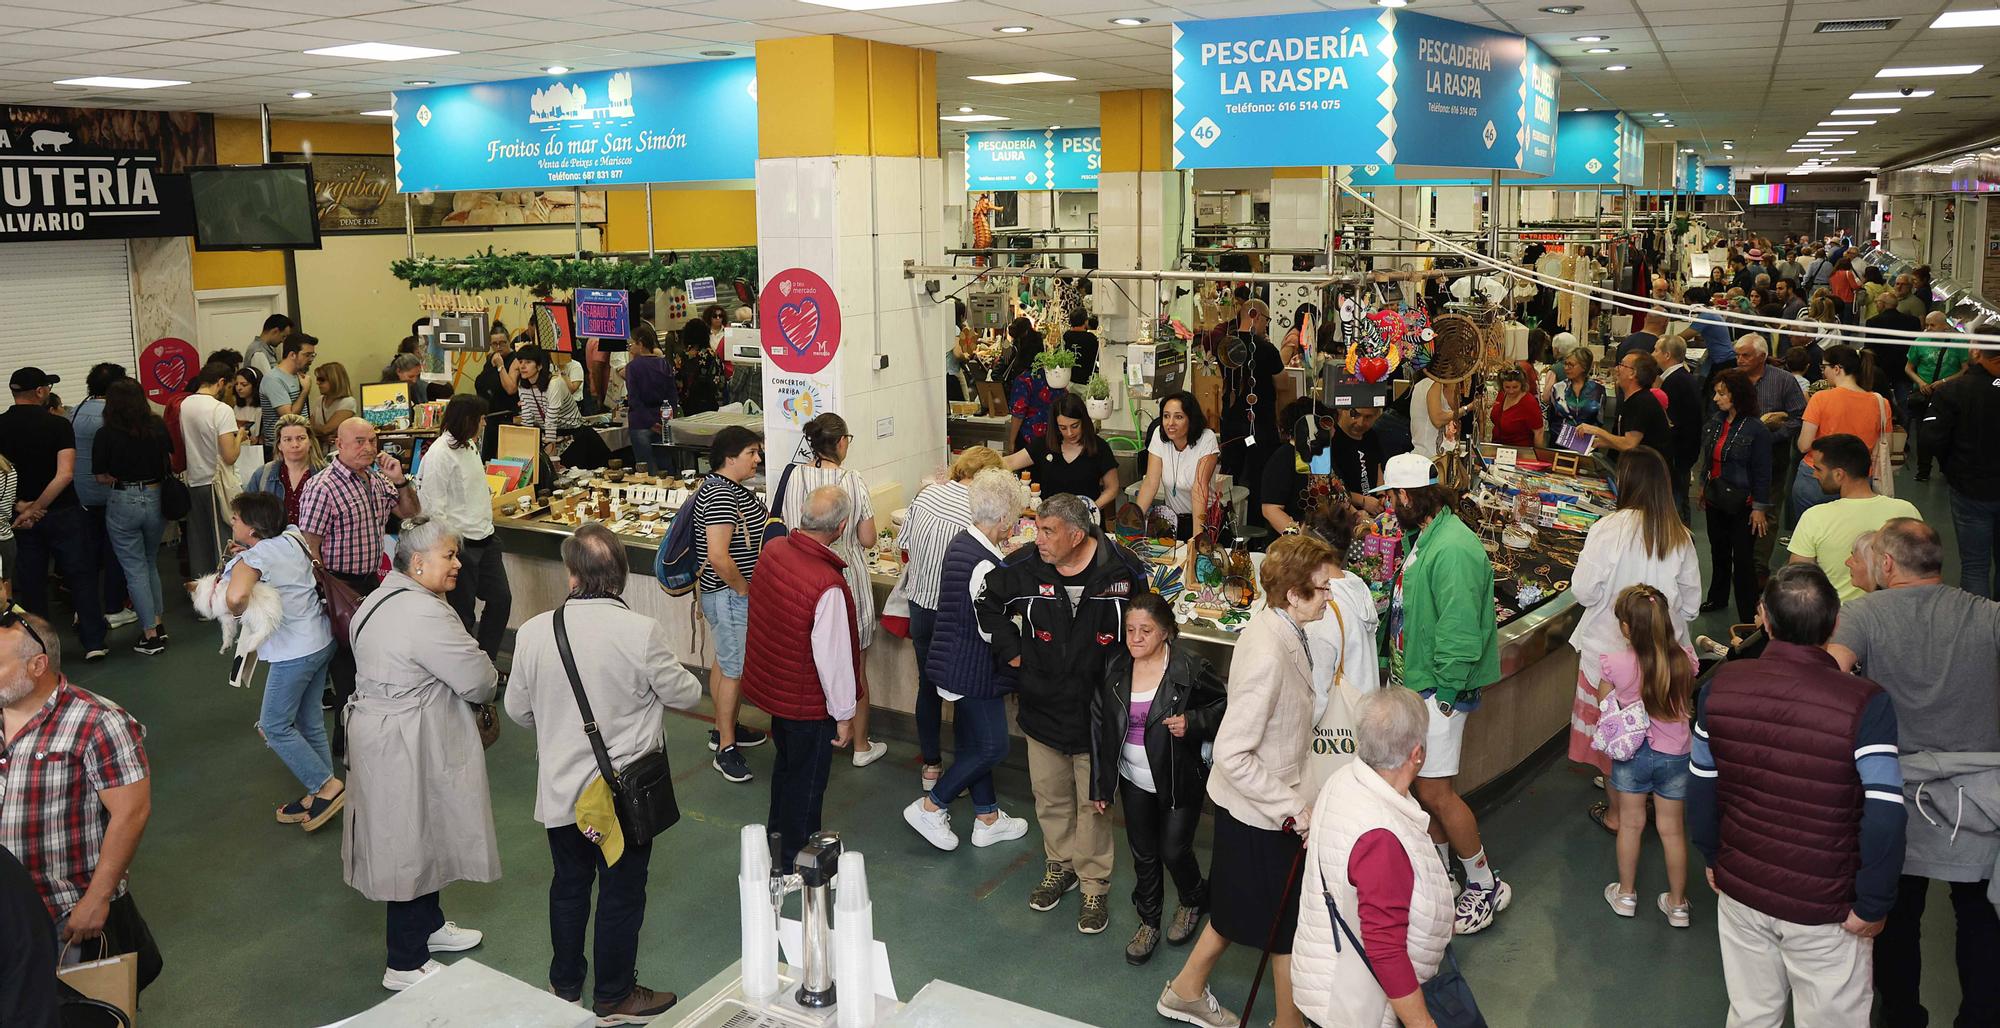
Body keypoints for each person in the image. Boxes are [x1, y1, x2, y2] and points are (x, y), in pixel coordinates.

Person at [1688, 564, 1905, 1028]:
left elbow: (1702, 786)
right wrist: (1873, 901)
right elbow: (1886, 814)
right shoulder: (1866, 704)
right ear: (1834, 622)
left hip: (1742, 887)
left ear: (1764, 618)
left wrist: (1713, 857)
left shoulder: (1719, 689)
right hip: (1825, 908)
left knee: (1751, 1012)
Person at [505, 522, 701, 1023]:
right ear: (620, 575)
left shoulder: (533, 631)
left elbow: (518, 712)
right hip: (623, 798)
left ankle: (564, 986)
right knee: (621, 891)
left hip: (563, 794)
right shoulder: (640, 633)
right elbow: (687, 695)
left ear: (572, 575)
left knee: (568, 887)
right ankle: (614, 995)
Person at [1158, 534, 1342, 1028]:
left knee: (1234, 908)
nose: (1330, 596)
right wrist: (1293, 808)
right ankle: (1289, 1023)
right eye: (1322, 588)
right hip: (1262, 813)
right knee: (1283, 927)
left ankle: (1185, 991)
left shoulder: (1281, 629)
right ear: (1293, 595)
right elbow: (1232, 752)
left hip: (1255, 810)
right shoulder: (1268, 651)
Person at [1823, 518, 2000, 1026]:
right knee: (1981, 923)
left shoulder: (1862, 616)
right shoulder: (1986, 615)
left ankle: (1903, 1017)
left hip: (1895, 798)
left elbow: (1828, 683)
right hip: (1982, 804)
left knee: (1896, 923)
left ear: (1885, 563)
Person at [977, 492, 1146, 934]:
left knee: (1095, 803)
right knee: (1050, 797)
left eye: (1048, 531)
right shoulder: (1023, 566)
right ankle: (1061, 865)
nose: (1039, 539)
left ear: (1077, 534)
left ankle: (1094, 885)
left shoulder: (1122, 570)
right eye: (1036, 528)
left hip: (1098, 716)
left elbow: (1149, 622)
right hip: (1042, 709)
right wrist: (1013, 653)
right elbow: (985, 603)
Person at [342, 515, 498, 992]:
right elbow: (480, 679)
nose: (458, 563)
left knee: (420, 830)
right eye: (449, 556)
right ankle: (404, 962)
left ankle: (428, 928)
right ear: (417, 563)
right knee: (407, 844)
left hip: (384, 733)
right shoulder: (425, 613)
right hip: (405, 741)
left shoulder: (379, 597)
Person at [1372, 452, 1507, 934]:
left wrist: (1445, 693)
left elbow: (1460, 629)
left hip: (1437, 690)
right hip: (1418, 685)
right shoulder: (1425, 536)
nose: (1387, 506)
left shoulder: (1453, 548)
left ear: (1407, 495)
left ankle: (1483, 883)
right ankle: (1442, 878)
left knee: (1435, 791)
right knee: (1420, 792)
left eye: (1390, 496)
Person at [1291, 687, 1456, 1028]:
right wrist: (1422, 1023)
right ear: (1417, 754)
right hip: (1357, 1008)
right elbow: (1385, 949)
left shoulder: (1341, 781)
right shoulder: (1381, 838)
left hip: (1324, 981)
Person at [0, 610, 151, 948]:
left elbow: (132, 813)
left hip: (61, 913)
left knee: (73, 1000)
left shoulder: (99, 722)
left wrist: (97, 898)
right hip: (7, 916)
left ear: (37, 666)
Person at [1567, 447, 1699, 834]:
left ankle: (1618, 815)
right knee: (1661, 737)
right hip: (1664, 663)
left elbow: (1584, 591)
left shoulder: (1608, 529)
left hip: (1608, 659)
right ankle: (1655, 803)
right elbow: (1690, 605)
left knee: (1613, 738)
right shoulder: (1681, 536)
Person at [1091, 592, 1227, 966]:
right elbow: (1100, 724)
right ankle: (1148, 921)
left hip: (1177, 779)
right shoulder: (1116, 665)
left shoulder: (1190, 668)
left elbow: (1222, 706)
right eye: (1130, 630)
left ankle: (1192, 898)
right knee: (1144, 854)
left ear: (1165, 632)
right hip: (1133, 779)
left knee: (1173, 850)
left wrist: (1193, 723)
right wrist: (1102, 783)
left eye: (1145, 631)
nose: (1135, 638)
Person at [903, 468, 1033, 850]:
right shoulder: (985, 563)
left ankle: (987, 816)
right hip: (973, 666)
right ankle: (932, 805)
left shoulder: (964, 543)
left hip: (954, 657)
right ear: (1007, 518)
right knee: (994, 746)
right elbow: (988, 627)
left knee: (975, 741)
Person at [738, 485, 864, 865]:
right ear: (841, 527)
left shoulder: (774, 551)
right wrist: (845, 715)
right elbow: (834, 659)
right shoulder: (827, 584)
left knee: (785, 771)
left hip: (777, 690)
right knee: (808, 786)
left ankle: (775, 844)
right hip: (807, 703)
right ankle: (796, 861)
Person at [298, 418, 422, 745]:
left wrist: (400, 480)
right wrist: (324, 591)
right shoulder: (323, 486)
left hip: (371, 583)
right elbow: (309, 543)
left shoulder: (378, 480)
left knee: (372, 659)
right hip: (339, 584)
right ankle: (346, 738)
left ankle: (368, 730)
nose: (367, 448)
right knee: (346, 665)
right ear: (339, 444)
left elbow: (409, 512)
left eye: (372, 441)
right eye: (359, 441)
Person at [224, 491, 342, 829]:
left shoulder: (254, 558)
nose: (232, 522)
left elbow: (236, 596)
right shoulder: (292, 536)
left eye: (236, 518)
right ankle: (320, 790)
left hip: (294, 652)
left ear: (252, 528)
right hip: (321, 640)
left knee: (273, 726)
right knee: (309, 721)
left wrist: (237, 613)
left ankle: (325, 786)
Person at [775, 414, 887, 766]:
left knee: (808, 663)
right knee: (854, 668)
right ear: (841, 443)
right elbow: (868, 538)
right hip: (846, 581)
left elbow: (788, 525)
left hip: (802, 578)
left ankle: (816, 737)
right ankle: (861, 746)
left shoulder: (794, 477)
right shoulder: (852, 480)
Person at [899, 447, 1005, 790]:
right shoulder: (976, 513)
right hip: (954, 615)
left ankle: (930, 766)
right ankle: (964, 770)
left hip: (919, 607)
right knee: (963, 691)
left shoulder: (926, 495)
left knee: (927, 689)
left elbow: (904, 545)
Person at [1595, 585, 1698, 926]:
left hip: (1633, 755)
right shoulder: (1684, 660)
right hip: (1676, 756)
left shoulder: (1616, 664)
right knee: (1672, 830)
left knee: (1631, 824)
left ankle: (1625, 894)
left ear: (1626, 627)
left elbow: (1604, 704)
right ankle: (1678, 904)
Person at [1, 367, 107, 661]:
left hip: (19, 519)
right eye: (46, 387)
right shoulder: (58, 425)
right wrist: (40, 507)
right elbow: (65, 475)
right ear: (39, 392)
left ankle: (39, 647)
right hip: (63, 512)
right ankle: (93, 641)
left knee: (32, 583)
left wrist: (22, 508)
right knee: (81, 575)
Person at [692, 426, 771, 782]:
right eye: (751, 453)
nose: (757, 459)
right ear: (730, 457)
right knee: (735, 669)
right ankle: (726, 747)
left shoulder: (724, 488)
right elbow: (719, 557)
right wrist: (744, 590)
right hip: (728, 595)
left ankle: (726, 729)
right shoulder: (722, 495)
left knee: (725, 664)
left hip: (724, 595)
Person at [418, 396, 512, 662]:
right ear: (468, 419)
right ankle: (465, 674)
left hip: (486, 539)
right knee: (463, 614)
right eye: (481, 418)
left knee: (501, 600)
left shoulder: (469, 445)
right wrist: (450, 551)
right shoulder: (439, 455)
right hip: (462, 547)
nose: (484, 423)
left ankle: (486, 661)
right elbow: (433, 509)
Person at [91, 380, 174, 655]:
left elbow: (100, 476)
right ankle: (159, 624)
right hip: (156, 495)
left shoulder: (105, 434)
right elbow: (169, 459)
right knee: (150, 562)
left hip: (123, 499)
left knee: (134, 567)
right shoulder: (157, 426)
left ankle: (149, 634)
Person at [1788, 433, 1919, 602]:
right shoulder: (1906, 511)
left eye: (1819, 469)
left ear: (1838, 475)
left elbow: (1797, 582)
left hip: (1838, 620)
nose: (1814, 475)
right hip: (1894, 615)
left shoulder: (1814, 518)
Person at [1918, 338, 2000, 598]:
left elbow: (1931, 437)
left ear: (1977, 352)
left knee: (1975, 565)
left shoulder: (1954, 391)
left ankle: (1979, 630)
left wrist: (1950, 465)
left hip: (1970, 487)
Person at [1700, 371, 1776, 620]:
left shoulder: (1757, 430)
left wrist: (1759, 507)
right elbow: (1708, 461)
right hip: (1715, 498)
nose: (1715, 398)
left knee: (1743, 560)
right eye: (1716, 392)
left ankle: (1748, 612)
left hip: (1742, 503)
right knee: (1718, 551)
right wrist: (1704, 487)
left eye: (1721, 393)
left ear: (1737, 395)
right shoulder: (1714, 422)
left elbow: (1763, 471)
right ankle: (1717, 597)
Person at [1790, 345, 1889, 527]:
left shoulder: (1820, 398)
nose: (1823, 372)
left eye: (1824, 367)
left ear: (1837, 369)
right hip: (1857, 480)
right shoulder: (1881, 403)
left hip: (1817, 477)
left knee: (1810, 536)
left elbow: (1804, 445)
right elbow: (1883, 446)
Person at [71, 363, 132, 634]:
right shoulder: (113, 418)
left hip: (81, 494)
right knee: (116, 553)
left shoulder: (76, 412)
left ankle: (83, 609)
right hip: (111, 493)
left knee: (88, 557)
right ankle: (114, 607)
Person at [177, 362, 244, 578]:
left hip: (194, 481)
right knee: (223, 542)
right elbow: (229, 455)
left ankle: (203, 597)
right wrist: (240, 437)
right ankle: (226, 595)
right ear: (221, 383)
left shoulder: (185, 405)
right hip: (217, 484)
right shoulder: (221, 409)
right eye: (231, 386)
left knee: (199, 544)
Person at [1003, 393, 1120, 510]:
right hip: (1050, 522)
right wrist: (987, 463)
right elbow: (1011, 461)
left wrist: (1091, 510)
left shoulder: (1099, 447)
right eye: (1063, 428)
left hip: (1087, 523)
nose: (1070, 433)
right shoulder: (1044, 445)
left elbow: (1112, 488)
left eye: (1075, 426)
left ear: (1084, 421)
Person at [1134, 391, 1220, 541]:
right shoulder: (1158, 436)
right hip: (1173, 521)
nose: (1170, 423)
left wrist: (1197, 538)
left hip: (1205, 520)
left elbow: (1199, 488)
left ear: (1190, 419)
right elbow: (1150, 483)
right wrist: (1134, 523)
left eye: (1178, 417)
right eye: (1166, 416)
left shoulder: (1207, 438)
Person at [514, 344, 610, 471]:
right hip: (552, 436)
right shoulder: (523, 385)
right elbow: (527, 418)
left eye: (528, 362)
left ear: (540, 365)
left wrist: (550, 445)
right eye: (520, 362)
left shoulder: (554, 383)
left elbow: (551, 417)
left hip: (575, 436)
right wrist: (528, 447)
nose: (522, 366)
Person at [1903, 311, 1965, 484]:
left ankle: (1946, 467)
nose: (1928, 329)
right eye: (1927, 325)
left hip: (1948, 396)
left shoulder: (1958, 344)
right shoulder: (1919, 342)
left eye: (1933, 325)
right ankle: (1923, 469)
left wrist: (1944, 381)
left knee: (1948, 432)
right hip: (1923, 395)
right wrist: (1921, 383)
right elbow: (1909, 368)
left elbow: (1965, 369)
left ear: (1944, 326)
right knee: (1923, 434)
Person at [246, 413, 327, 532]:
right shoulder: (263, 474)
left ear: (310, 442)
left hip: (315, 546)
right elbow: (245, 515)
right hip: (273, 547)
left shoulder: (326, 474)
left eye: (301, 438)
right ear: (279, 445)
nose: (295, 445)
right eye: (287, 439)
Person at [1580, 353, 1671, 458]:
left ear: (1633, 373)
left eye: (1622, 365)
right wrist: (1600, 442)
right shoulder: (1635, 398)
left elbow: (1629, 444)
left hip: (1650, 470)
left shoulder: (1641, 402)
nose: (1616, 369)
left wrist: (1596, 431)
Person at [1653, 336, 1703, 520]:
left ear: (1667, 355)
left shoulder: (1675, 382)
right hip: (1683, 454)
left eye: (1656, 350)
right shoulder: (1681, 377)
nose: (1653, 354)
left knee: (1676, 504)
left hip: (1677, 455)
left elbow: (1672, 423)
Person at [622, 322, 676, 469]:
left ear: (640, 343)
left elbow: (634, 399)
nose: (630, 349)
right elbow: (672, 396)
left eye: (631, 344)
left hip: (641, 423)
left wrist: (650, 422)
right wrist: (666, 420)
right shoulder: (665, 364)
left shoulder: (632, 367)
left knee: (646, 469)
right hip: (663, 421)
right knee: (666, 467)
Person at [1002, 317, 1055, 454]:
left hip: (1029, 439)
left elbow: (1019, 413)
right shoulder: (1053, 376)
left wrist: (1011, 441)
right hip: (1052, 438)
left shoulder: (1023, 380)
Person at [260, 334, 317, 447]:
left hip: (301, 442)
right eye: (307, 355)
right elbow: (289, 418)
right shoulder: (273, 379)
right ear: (292, 355)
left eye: (313, 355)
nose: (311, 359)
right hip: (281, 447)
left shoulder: (298, 375)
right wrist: (305, 391)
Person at [1546, 346, 1606, 446]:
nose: (1566, 368)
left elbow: (1599, 420)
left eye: (1571, 365)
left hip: (1587, 443)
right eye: (1565, 364)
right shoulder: (1557, 388)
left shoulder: (1598, 390)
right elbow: (1552, 418)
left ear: (1584, 367)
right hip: (1560, 442)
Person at [1409, 366, 1472, 458]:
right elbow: (1438, 420)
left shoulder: (1428, 384)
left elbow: (1453, 405)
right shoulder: (1433, 384)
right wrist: (1468, 408)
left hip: (1432, 452)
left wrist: (1453, 384)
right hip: (1429, 455)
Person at [474, 325, 517, 456]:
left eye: (502, 343)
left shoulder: (514, 359)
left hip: (505, 416)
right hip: (488, 416)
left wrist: (500, 366)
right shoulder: (490, 359)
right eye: (494, 344)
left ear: (509, 341)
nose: (498, 347)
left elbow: (511, 388)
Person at [673, 317, 727, 417]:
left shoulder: (681, 356)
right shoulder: (711, 355)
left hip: (686, 405)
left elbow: (676, 381)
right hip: (708, 404)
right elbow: (719, 381)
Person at [1487, 367, 1544, 448]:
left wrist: (1537, 455)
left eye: (1515, 387)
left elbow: (1539, 432)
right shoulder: (1502, 394)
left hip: (1520, 451)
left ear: (1522, 385)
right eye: (1507, 387)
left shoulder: (1529, 402)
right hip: (1498, 447)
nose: (1511, 391)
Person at [309, 361, 358, 444]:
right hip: (321, 452)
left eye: (322, 380)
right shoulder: (319, 400)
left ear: (334, 380)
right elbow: (308, 427)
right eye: (318, 379)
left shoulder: (348, 402)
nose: (317, 383)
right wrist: (322, 436)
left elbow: (326, 429)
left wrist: (316, 430)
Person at [1063, 305, 1100, 382]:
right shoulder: (1091, 339)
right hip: (1086, 381)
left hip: (1068, 380)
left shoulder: (1066, 336)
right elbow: (1098, 357)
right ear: (1086, 321)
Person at [231, 365, 264, 435]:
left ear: (255, 385)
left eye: (244, 384)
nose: (239, 388)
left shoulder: (261, 409)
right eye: (236, 384)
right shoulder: (236, 407)